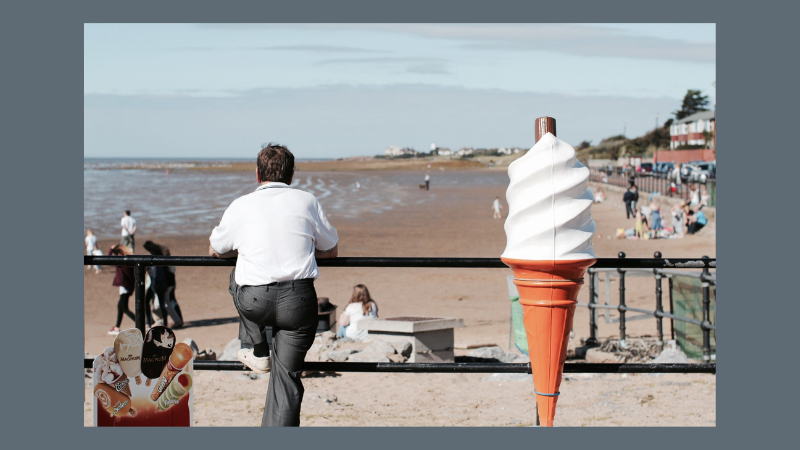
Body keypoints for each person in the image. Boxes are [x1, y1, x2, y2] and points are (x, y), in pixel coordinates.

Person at [209, 143, 339, 427]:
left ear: (257, 175)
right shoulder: (308, 201)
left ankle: (258, 348)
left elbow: (216, 249)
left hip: (255, 302)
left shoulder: (241, 204)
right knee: (287, 384)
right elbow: (331, 248)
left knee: (236, 279)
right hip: (299, 301)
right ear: (292, 176)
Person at [108, 245, 135, 335]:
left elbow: (108, 260)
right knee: (120, 307)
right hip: (128, 286)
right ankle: (117, 327)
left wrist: (111, 249)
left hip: (125, 286)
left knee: (124, 308)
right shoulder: (128, 260)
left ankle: (141, 323)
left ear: (119, 253)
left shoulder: (122, 261)